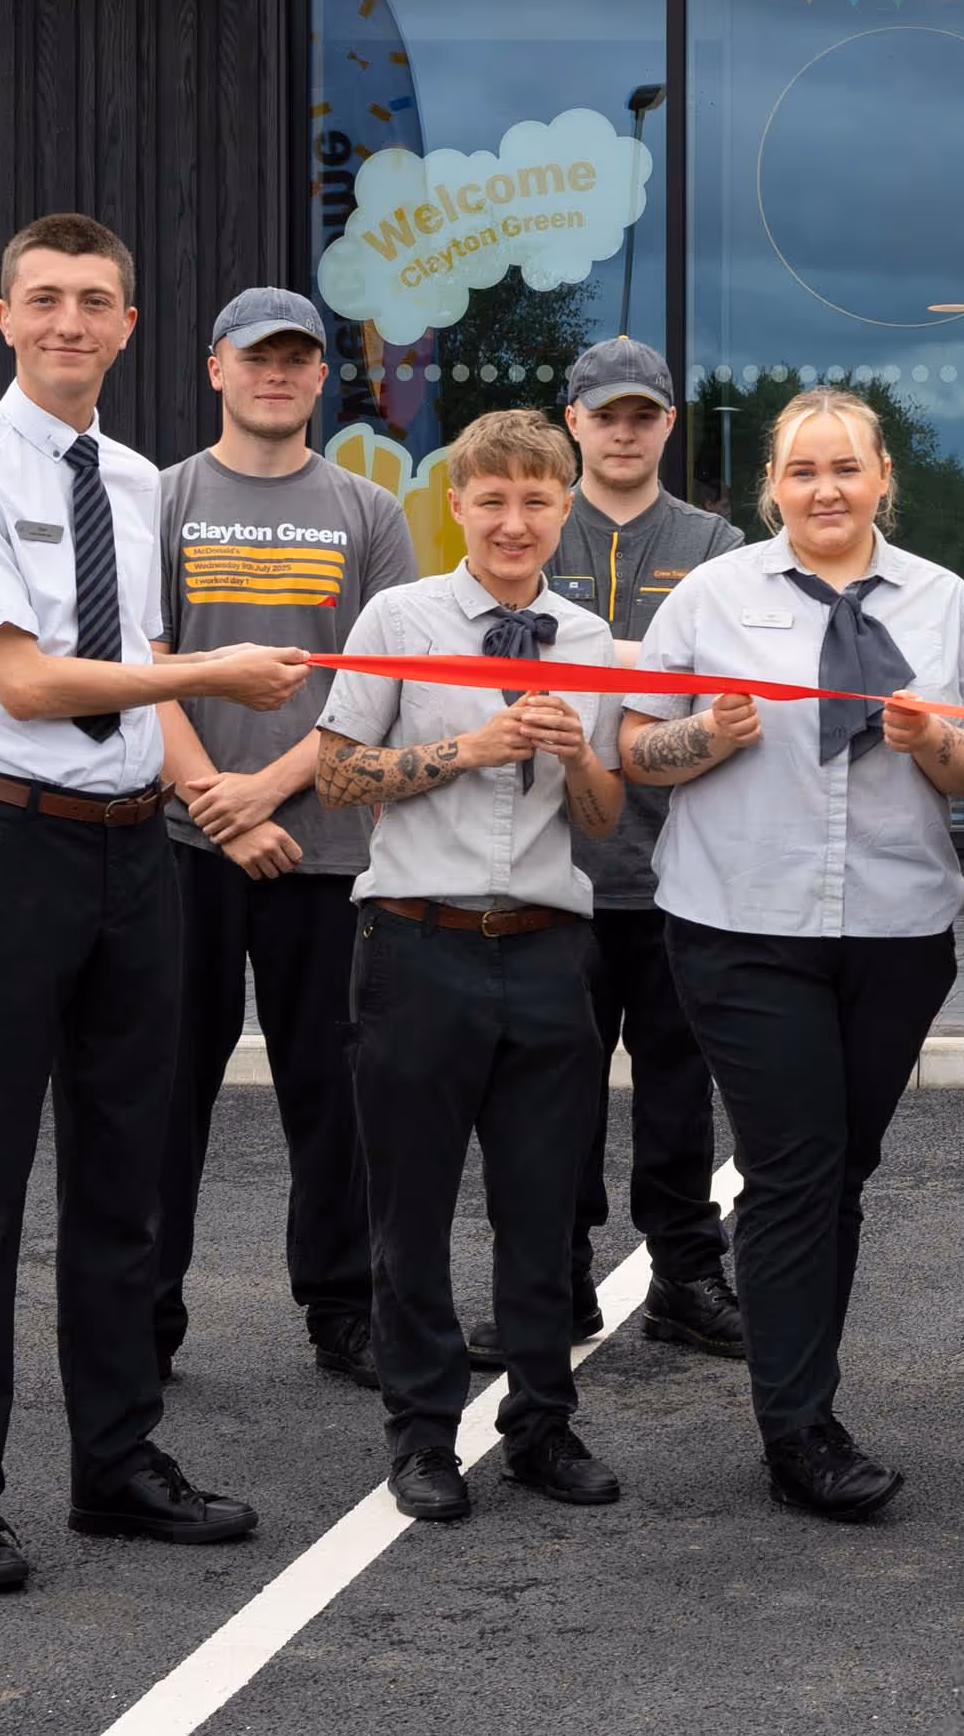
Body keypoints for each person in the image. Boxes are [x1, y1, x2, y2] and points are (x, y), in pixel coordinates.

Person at [0, 213, 301, 1595]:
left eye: (97, 301)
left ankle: (117, 1462)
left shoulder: (131, 477)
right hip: (11, 846)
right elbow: (28, 679)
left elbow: (132, 648)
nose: (71, 320)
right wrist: (204, 680)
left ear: (130, 326)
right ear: (3, 312)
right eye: (46, 297)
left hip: (138, 852)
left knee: (128, 1181)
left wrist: (189, 711)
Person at [618, 389, 964, 1522]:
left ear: (885, 477)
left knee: (840, 1172)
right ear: (769, 488)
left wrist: (938, 741)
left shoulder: (942, 603)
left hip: (895, 928)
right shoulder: (711, 596)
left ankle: (801, 1392)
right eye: (802, 471)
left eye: (846, 468)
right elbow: (639, 748)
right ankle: (799, 1429)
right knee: (792, 1167)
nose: (825, 489)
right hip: (742, 924)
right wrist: (707, 735)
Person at [310, 411, 633, 1523]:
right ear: (456, 505)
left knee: (542, 1213)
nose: (513, 521)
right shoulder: (399, 617)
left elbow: (599, 818)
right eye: (491, 499)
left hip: (548, 953)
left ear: (563, 509)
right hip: (416, 947)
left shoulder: (588, 642)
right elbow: (338, 778)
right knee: (413, 1209)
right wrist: (467, 750)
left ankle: (543, 1422)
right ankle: (421, 1439)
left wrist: (581, 752)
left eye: (536, 502)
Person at [147, 287, 414, 1392]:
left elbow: (379, 675)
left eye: (298, 358)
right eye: (257, 356)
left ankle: (342, 1308)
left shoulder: (370, 510)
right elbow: (138, 655)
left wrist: (265, 795)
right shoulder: (159, 500)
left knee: (335, 1093)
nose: (277, 373)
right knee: (162, 1094)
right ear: (216, 368)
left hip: (327, 847)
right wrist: (213, 796)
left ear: (319, 379)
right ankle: (143, 1313)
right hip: (179, 846)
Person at [544, 336, 748, 1365]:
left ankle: (685, 1276)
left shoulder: (715, 543)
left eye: (643, 415)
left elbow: (728, 688)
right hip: (552, 870)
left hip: (679, 873)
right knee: (554, 1090)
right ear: (572, 421)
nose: (624, 432)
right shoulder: (532, 526)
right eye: (604, 414)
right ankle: (557, 1275)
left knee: (676, 1089)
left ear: (669, 424)